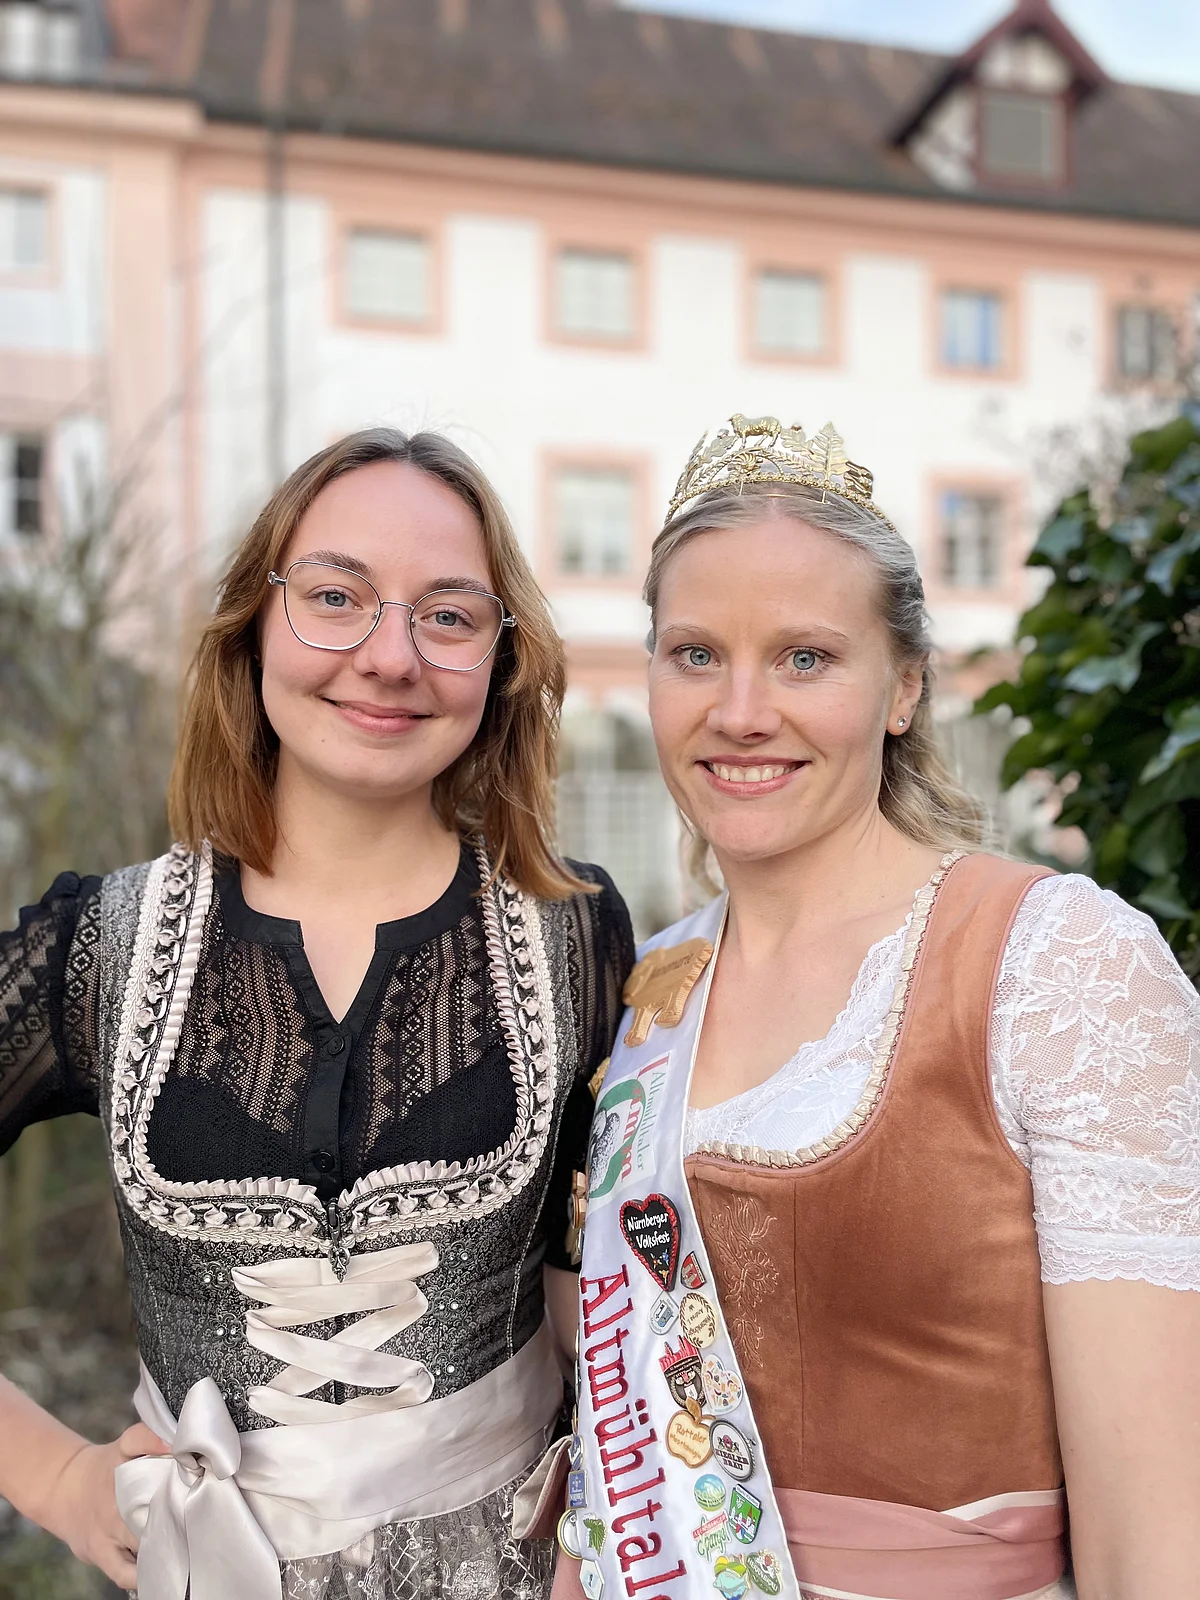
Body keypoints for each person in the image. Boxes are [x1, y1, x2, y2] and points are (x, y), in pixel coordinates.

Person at [555, 417, 1200, 1600]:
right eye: (695, 653)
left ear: (903, 686)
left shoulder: (1055, 967)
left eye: (805, 657)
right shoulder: (644, 989)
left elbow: (1157, 1546)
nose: (741, 710)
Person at [0, 427, 634, 1600]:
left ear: (502, 660)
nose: (389, 656)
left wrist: (604, 1534)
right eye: (336, 596)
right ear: (254, 624)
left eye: (448, 615)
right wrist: (52, 1476)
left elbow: (594, 1285)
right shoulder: (103, 944)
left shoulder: (576, 932)